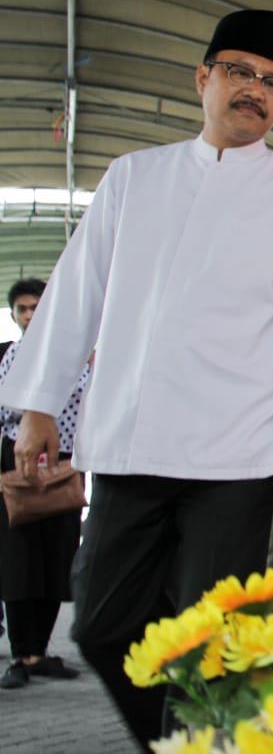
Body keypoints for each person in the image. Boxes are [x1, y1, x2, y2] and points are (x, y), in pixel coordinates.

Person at [0, 9, 273, 743]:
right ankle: (176, 738)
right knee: (99, 623)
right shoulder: (135, 176)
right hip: (132, 441)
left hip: (238, 454)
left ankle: (198, 738)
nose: (255, 90)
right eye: (240, 72)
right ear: (203, 79)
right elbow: (77, 293)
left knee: (208, 641)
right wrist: (38, 401)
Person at [0, 279, 86, 689]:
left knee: (56, 556)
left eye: (36, 307)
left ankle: (42, 649)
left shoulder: (76, 358)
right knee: (18, 559)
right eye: (22, 309)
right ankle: (22, 653)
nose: (30, 315)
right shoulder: (8, 356)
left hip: (65, 464)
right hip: (15, 464)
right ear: (14, 315)